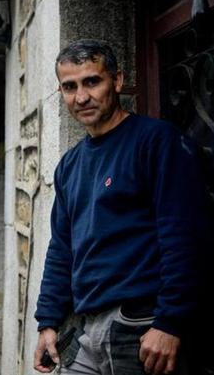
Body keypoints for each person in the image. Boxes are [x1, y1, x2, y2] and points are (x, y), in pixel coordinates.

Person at [33, 39, 209, 375]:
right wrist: (48, 322)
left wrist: (170, 322)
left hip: (142, 328)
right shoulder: (70, 164)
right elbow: (61, 249)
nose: (81, 97)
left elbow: (185, 236)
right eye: (70, 87)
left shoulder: (157, 141)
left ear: (117, 80)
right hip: (84, 331)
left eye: (92, 81)